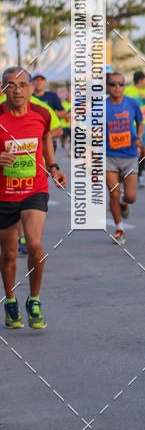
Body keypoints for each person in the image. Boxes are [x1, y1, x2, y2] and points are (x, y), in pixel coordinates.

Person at [0, 66, 67, 329]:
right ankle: (10, 301)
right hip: (4, 193)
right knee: (9, 254)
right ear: (3, 88)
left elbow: (47, 136)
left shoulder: (41, 113)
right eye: (11, 85)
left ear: (30, 87)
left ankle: (34, 299)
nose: (17, 90)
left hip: (34, 189)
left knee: (35, 244)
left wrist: (53, 167)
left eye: (22, 84)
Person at [106, 72, 144, 245]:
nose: (117, 87)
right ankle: (119, 229)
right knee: (114, 193)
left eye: (120, 84)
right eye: (113, 84)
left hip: (129, 155)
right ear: (107, 87)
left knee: (131, 197)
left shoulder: (132, 103)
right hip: (108, 156)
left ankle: (124, 202)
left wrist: (139, 137)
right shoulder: (100, 107)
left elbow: (140, 122)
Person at [124, 71, 145, 187]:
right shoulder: (128, 90)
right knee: (132, 150)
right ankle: (130, 174)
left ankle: (140, 175)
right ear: (140, 80)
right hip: (129, 124)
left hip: (144, 123)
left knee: (144, 151)